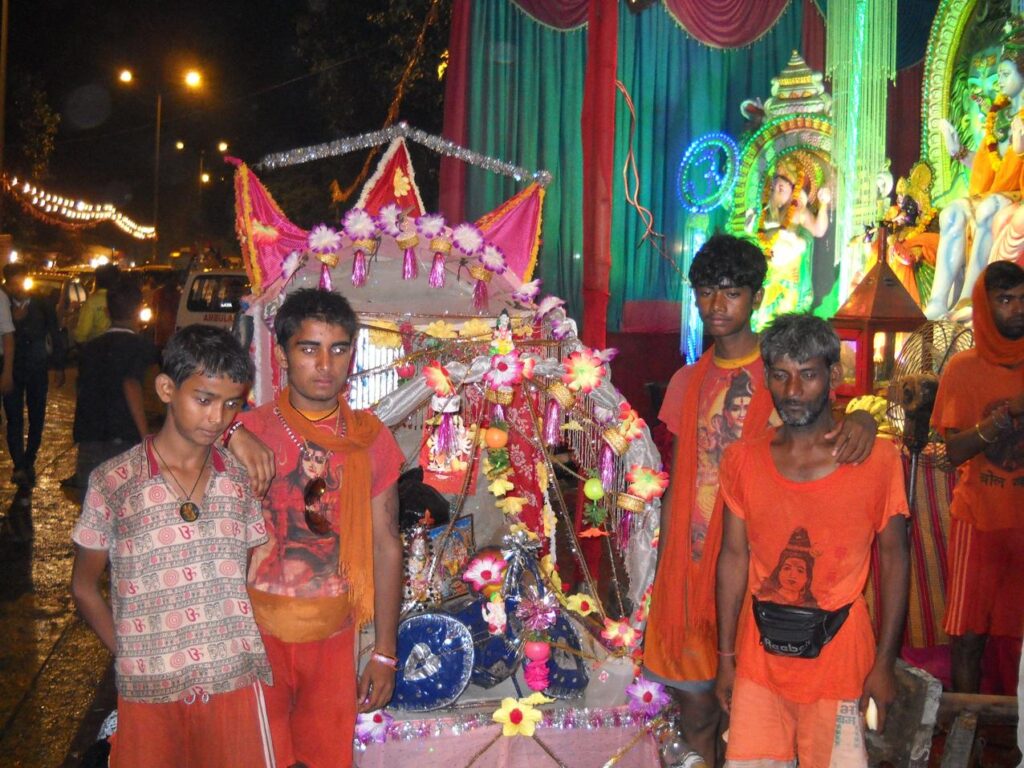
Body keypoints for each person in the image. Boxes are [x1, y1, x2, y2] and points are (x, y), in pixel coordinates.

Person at [643, 235, 877, 765]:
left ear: (755, 296)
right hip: (694, 564)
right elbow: (682, 477)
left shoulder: (778, 373)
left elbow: (827, 425)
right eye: (706, 292)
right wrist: (666, 573)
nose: (717, 305)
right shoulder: (687, 380)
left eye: (731, 292)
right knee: (697, 715)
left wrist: (864, 416)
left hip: (765, 573)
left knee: (761, 724)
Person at [70, 325, 275, 768]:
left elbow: (241, 574)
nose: (217, 417)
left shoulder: (238, 482)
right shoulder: (115, 482)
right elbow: (84, 586)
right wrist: (126, 651)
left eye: (231, 404)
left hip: (231, 681)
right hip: (149, 686)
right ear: (166, 388)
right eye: (203, 399)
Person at [715, 313, 910, 767]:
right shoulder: (743, 460)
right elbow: (732, 558)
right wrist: (725, 656)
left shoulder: (877, 460)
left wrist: (885, 662)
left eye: (807, 375)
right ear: (767, 378)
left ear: (833, 377)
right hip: (759, 658)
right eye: (781, 376)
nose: (792, 391)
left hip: (842, 661)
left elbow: (897, 561)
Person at [238, 288, 403, 768]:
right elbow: (179, 431)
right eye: (309, 348)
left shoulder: (370, 438)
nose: (325, 364)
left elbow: (386, 543)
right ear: (283, 354)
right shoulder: (248, 430)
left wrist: (385, 653)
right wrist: (230, 432)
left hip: (334, 636)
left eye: (339, 348)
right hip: (252, 637)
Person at [932, 260, 1024, 693]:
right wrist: (1003, 420)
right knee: (969, 638)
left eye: (1023, 299)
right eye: (1005, 300)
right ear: (986, 309)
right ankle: (964, 739)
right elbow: (953, 451)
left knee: (1016, 642)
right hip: (978, 520)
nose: (1018, 308)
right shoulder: (962, 370)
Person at [926, 17, 1024, 319]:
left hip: (1016, 195)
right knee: (952, 212)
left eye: (1006, 73)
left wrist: (1020, 152)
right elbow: (989, 166)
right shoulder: (1000, 116)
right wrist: (958, 152)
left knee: (989, 208)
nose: (1000, 80)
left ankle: (970, 296)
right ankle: (939, 301)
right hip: (997, 193)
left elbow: (1010, 173)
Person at [69, 279, 159, 488]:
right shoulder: (141, 347)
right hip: (123, 437)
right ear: (138, 310)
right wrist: (145, 434)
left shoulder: (90, 348)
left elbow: (81, 388)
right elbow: (131, 385)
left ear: (108, 312)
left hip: (89, 437)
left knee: (93, 511)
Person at [2, 261, 66, 487]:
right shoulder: (4, 303)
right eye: (13, 282)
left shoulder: (41, 302)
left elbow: (55, 333)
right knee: (14, 418)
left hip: (37, 366)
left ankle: (30, 458)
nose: (18, 286)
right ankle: (19, 463)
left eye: (21, 280)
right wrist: (15, 322)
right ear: (7, 284)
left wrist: (59, 365)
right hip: (12, 367)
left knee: (37, 415)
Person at [748, 157, 832, 329]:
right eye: (774, 187)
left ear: (793, 190)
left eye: (781, 188)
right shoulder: (764, 214)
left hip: (789, 277)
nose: (776, 191)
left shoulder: (798, 213)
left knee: (786, 320)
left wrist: (823, 205)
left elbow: (819, 230)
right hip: (768, 275)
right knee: (763, 318)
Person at [73, 263, 119, 344]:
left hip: (97, 347)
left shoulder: (92, 302)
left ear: (97, 281)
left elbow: (81, 334)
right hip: (119, 345)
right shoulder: (121, 298)